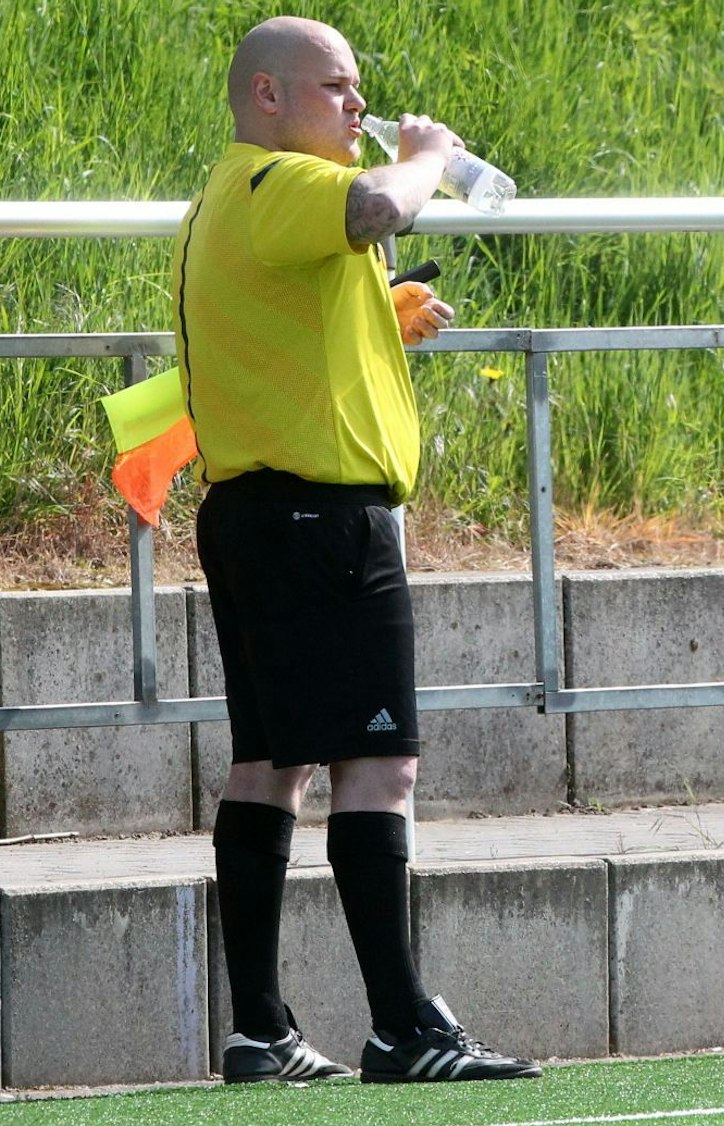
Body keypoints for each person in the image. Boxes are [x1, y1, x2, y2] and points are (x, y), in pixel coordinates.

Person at [170, 16, 539, 1085]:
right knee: (380, 764)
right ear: (269, 95)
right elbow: (377, 204)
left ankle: (261, 1030)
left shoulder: (233, 199)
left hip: (258, 515)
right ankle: (402, 1025)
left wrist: (382, 308)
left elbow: (278, 322)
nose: (359, 108)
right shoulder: (280, 180)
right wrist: (427, 159)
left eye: (359, 90)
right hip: (319, 521)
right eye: (338, 88)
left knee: (271, 765)